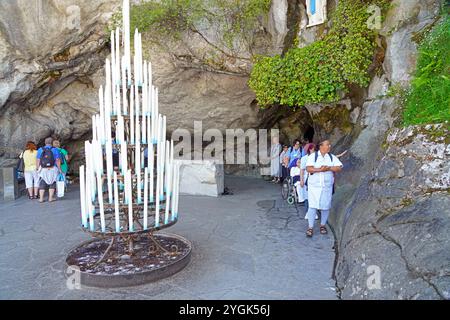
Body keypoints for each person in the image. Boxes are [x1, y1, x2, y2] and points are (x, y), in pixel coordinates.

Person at [305, 140, 343, 237]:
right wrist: (320, 170)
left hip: (326, 187)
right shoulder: (313, 156)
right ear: (321, 146)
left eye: (330, 144)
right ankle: (310, 227)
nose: (329, 146)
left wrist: (329, 168)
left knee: (325, 206)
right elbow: (308, 168)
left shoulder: (331, 157)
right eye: (327, 145)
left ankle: (322, 225)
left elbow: (339, 167)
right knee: (312, 206)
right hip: (314, 187)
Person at [36, 137, 62, 203]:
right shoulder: (55, 149)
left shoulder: (40, 149)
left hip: (43, 169)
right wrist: (59, 169)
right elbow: (58, 160)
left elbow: (38, 160)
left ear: (45, 142)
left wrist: (37, 168)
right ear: (52, 143)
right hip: (53, 168)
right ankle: (50, 198)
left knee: (42, 181)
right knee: (53, 182)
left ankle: (41, 198)